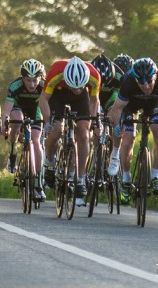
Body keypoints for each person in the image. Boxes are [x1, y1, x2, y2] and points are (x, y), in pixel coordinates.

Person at [107, 57, 158, 204]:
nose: (146, 86)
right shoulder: (128, 82)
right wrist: (117, 126)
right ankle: (126, 181)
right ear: (135, 80)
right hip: (130, 106)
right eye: (141, 82)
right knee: (128, 139)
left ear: (155, 76)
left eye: (149, 82)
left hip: (153, 104)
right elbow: (117, 108)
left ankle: (155, 176)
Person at [40, 56, 101, 207]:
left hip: (81, 100)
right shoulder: (56, 71)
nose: (76, 89)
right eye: (74, 86)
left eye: (80, 86)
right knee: (56, 129)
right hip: (58, 94)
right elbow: (43, 99)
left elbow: (94, 101)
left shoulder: (94, 76)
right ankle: (49, 161)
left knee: (84, 133)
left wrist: (93, 122)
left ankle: (80, 178)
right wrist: (48, 121)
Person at [1, 58, 47, 202]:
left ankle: (38, 183)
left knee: (35, 141)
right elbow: (7, 109)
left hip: (36, 109)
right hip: (18, 107)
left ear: (40, 78)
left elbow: (48, 108)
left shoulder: (44, 87)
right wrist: (4, 123)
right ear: (23, 78)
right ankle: (13, 151)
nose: (32, 84)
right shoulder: (15, 86)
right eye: (28, 80)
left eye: (35, 80)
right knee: (17, 120)